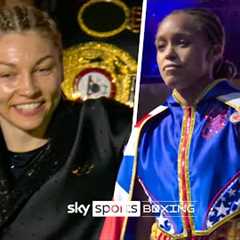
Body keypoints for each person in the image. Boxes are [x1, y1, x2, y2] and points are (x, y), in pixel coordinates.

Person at [100, 8, 240, 240]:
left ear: (214, 52)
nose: (169, 54)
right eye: (160, 46)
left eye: (181, 42)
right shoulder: (147, 130)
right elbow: (123, 212)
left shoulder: (235, 116)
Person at [0, 5, 132, 240]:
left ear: (62, 66)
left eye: (43, 69)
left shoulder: (105, 129)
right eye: (7, 75)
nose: (29, 89)